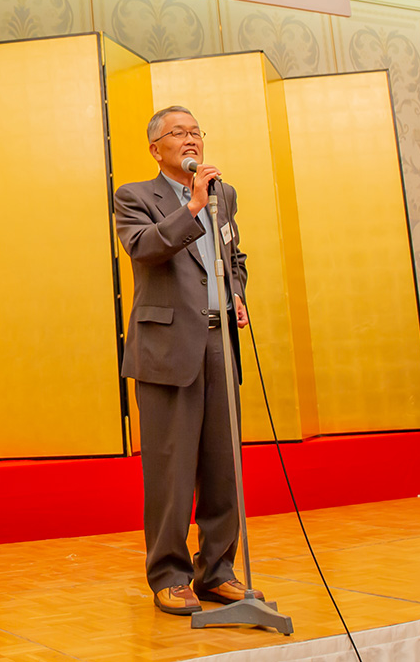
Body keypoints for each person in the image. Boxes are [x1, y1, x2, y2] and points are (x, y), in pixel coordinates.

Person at [114, 105, 260, 616]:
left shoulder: (225, 195)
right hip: (167, 349)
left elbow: (234, 258)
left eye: (196, 131)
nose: (191, 139)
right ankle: (170, 575)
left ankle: (217, 571)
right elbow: (144, 247)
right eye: (179, 133)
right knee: (171, 470)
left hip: (220, 342)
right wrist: (193, 206)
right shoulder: (135, 196)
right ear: (156, 149)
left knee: (224, 467)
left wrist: (236, 292)